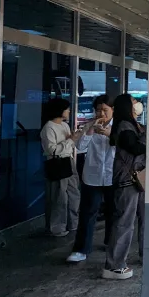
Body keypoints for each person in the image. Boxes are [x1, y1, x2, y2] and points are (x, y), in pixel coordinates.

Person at [66, 95, 116, 263]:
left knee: (113, 212)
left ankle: (111, 242)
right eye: (98, 110)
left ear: (112, 110)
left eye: (105, 110)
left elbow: (123, 147)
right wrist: (90, 130)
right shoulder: (89, 125)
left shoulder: (119, 127)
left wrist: (110, 134)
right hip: (92, 176)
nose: (101, 113)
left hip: (112, 176)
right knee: (88, 213)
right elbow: (80, 147)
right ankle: (81, 249)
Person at [104, 94, 146, 280]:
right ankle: (114, 265)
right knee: (124, 223)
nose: (137, 105)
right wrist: (148, 136)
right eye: (134, 102)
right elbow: (136, 148)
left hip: (138, 180)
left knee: (145, 219)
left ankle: (146, 254)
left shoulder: (133, 125)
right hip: (128, 180)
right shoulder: (124, 127)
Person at [41, 97, 89, 237]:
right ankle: (56, 227)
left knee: (74, 194)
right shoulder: (49, 127)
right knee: (58, 197)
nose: (68, 111)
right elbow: (52, 150)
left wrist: (74, 138)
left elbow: (70, 143)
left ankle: (72, 223)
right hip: (57, 163)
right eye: (67, 109)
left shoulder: (64, 125)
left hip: (69, 160)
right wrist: (70, 140)